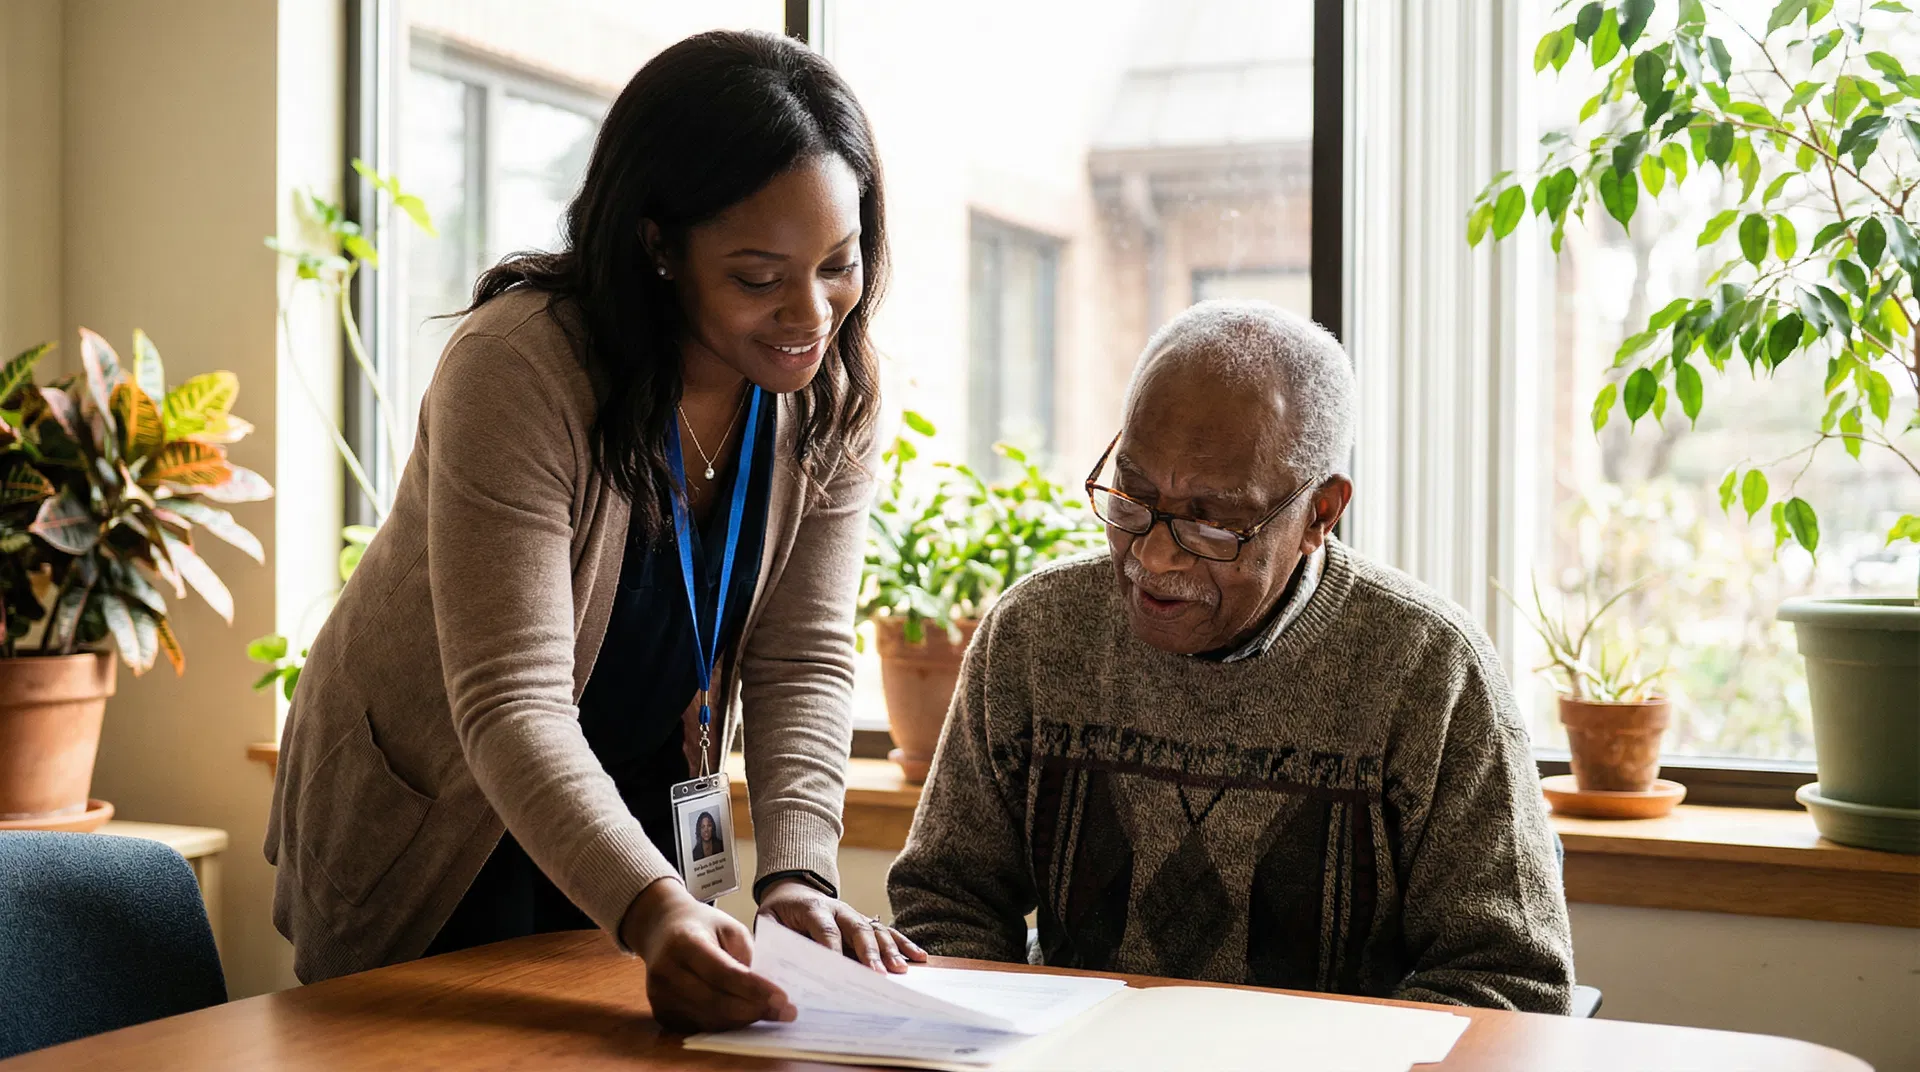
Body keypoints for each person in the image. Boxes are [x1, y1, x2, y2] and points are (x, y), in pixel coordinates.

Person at [265, 30, 923, 1032]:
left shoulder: (827, 391)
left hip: (627, 806)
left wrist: (798, 875)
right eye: (759, 277)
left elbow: (804, 656)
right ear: (658, 245)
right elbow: (511, 700)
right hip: (446, 812)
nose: (811, 313)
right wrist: (654, 907)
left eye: (839, 264)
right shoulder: (520, 369)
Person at [887, 300, 1575, 1013]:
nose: (1152, 558)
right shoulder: (1035, 634)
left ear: (1320, 513)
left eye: (1211, 522)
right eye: (1134, 495)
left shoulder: (1429, 671)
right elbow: (946, 896)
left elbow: (1510, 980)